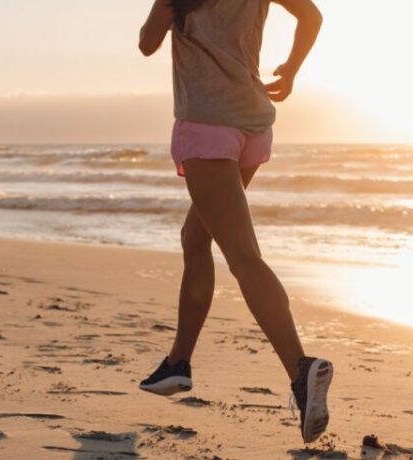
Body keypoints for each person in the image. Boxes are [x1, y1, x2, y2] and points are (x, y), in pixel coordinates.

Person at [137, 0, 331, 443]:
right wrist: (292, 70)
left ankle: (302, 370)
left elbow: (148, 44)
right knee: (194, 237)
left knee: (243, 256)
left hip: (207, 123)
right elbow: (312, 15)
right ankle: (178, 363)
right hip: (253, 122)